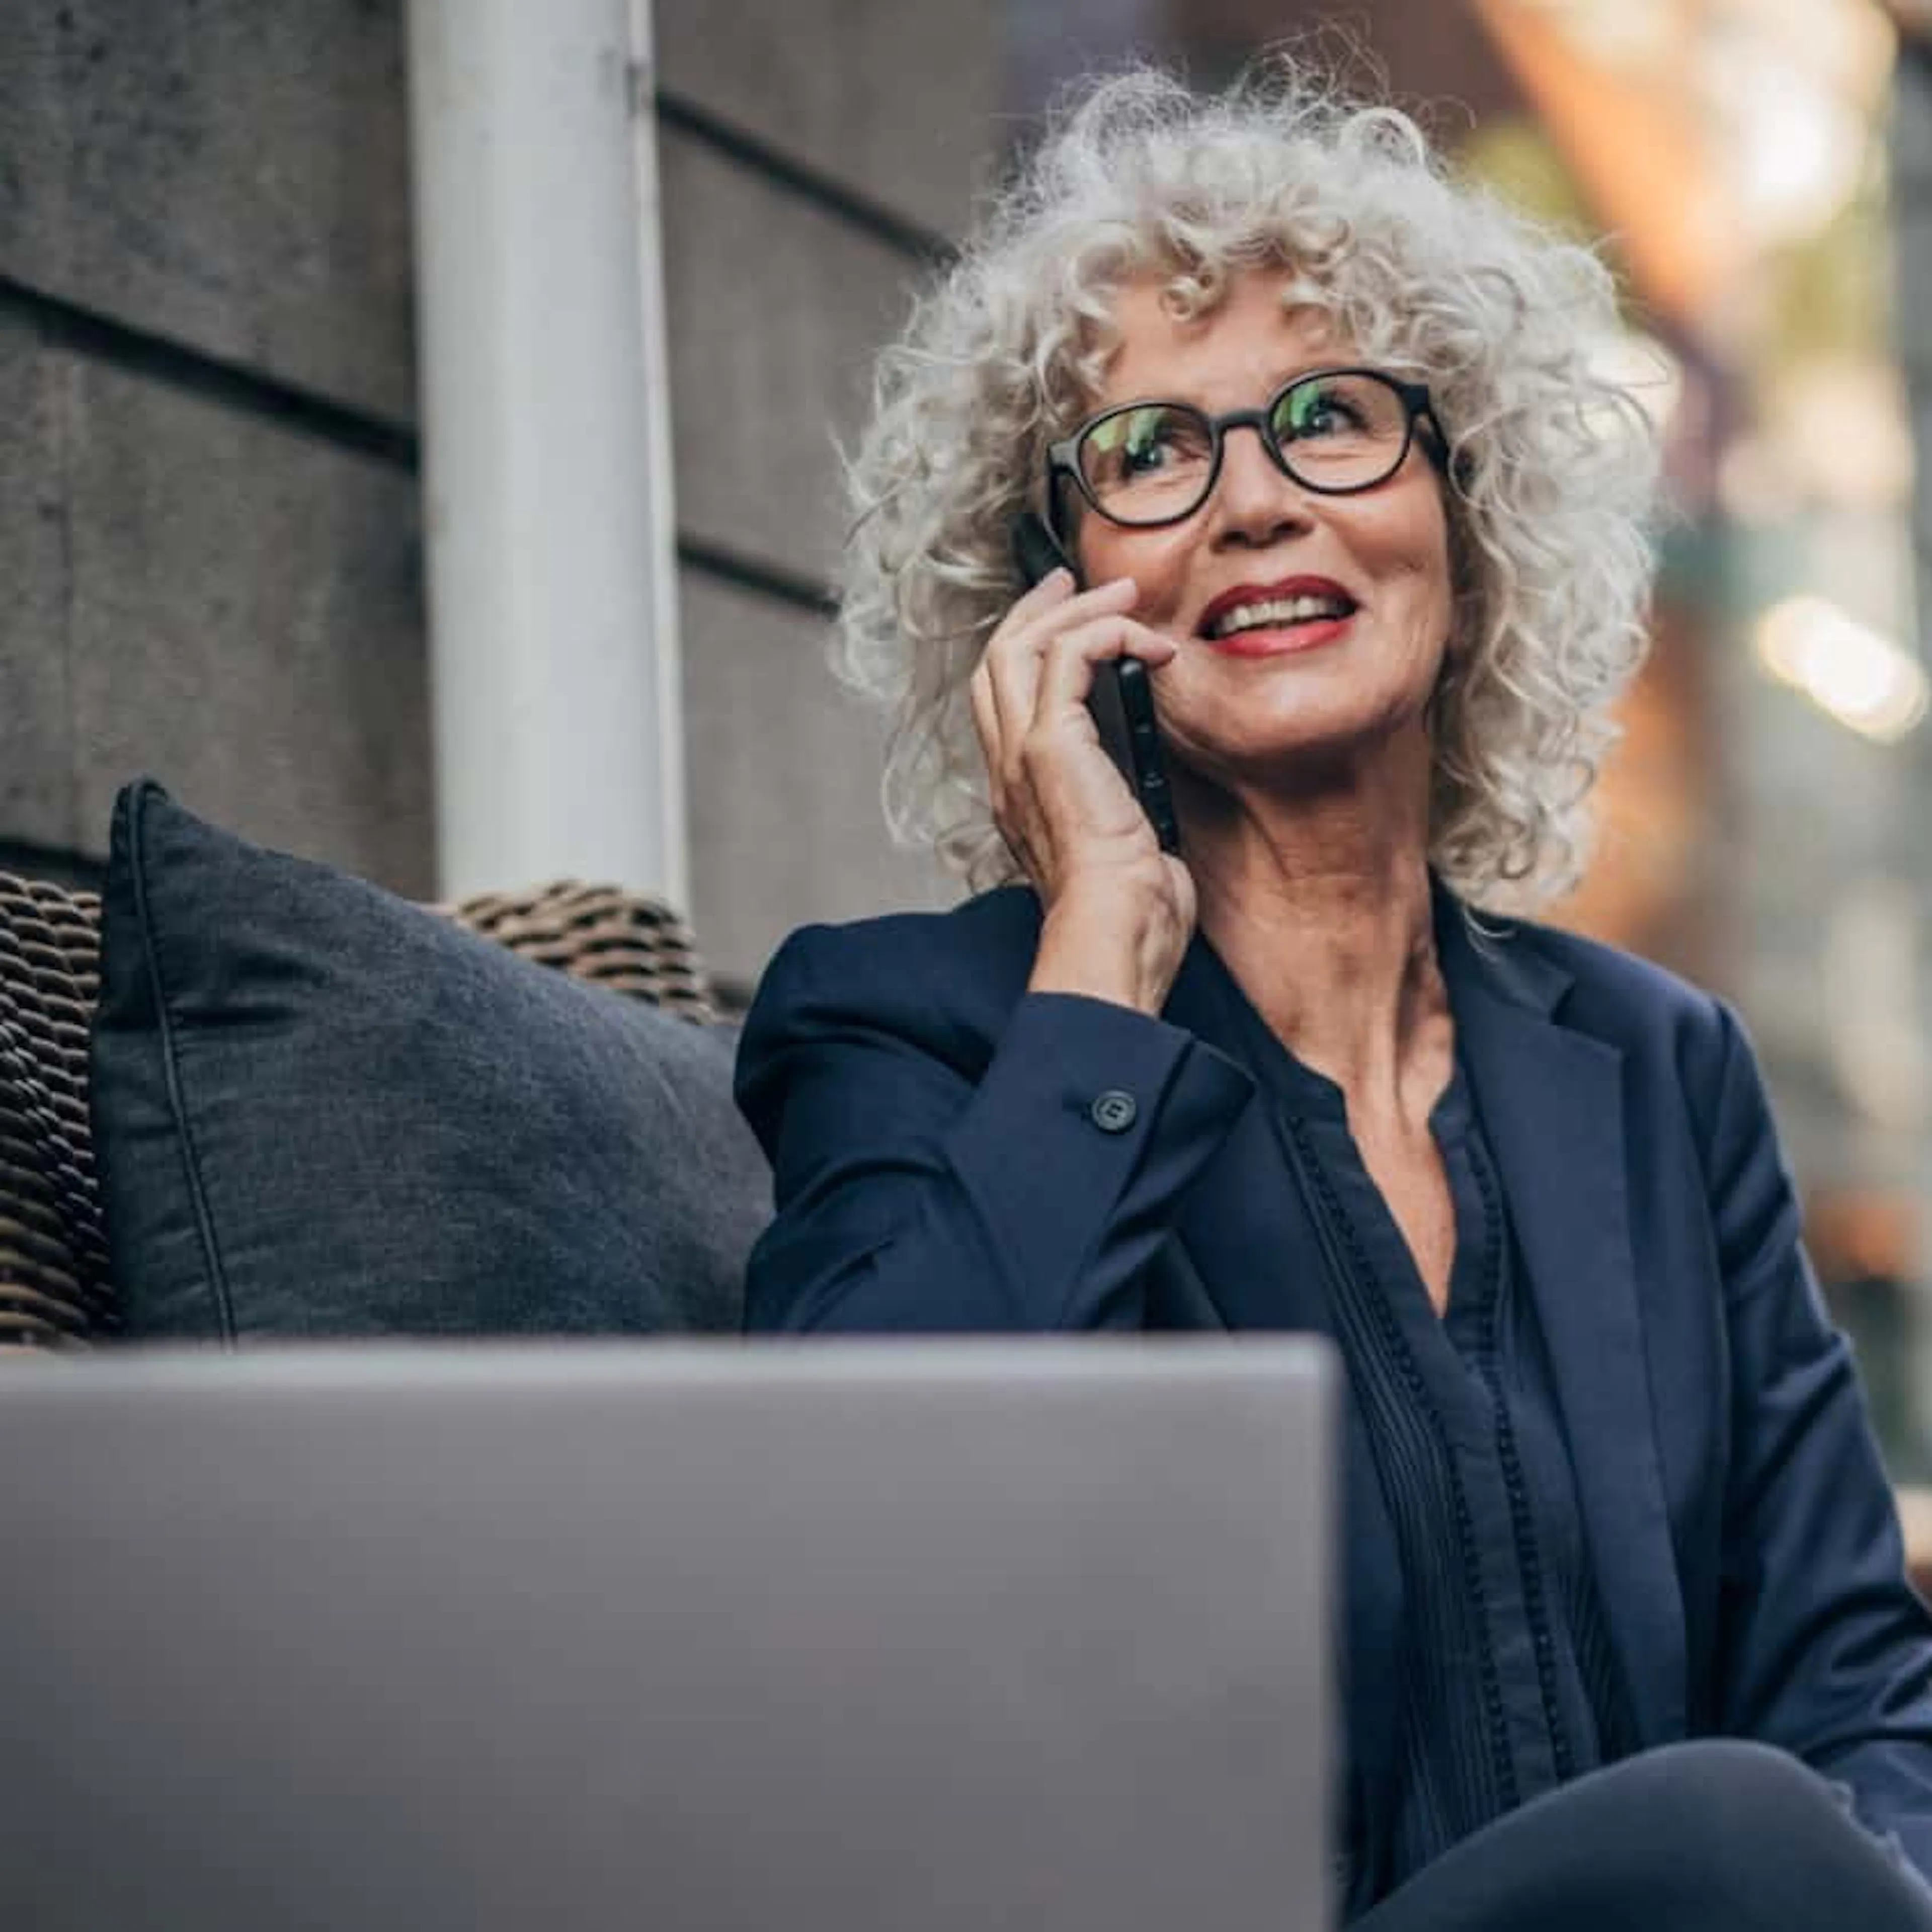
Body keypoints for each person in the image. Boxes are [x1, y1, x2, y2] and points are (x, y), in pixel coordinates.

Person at [733, 59, 1932, 1931]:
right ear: (1054, 600)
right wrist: (1101, 980)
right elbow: (849, 1569)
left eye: (1333, 420)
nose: (1255, 505)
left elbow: (1862, 1690)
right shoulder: (915, 1034)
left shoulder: (1658, 1064)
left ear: (1466, 516)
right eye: (1150, 454)